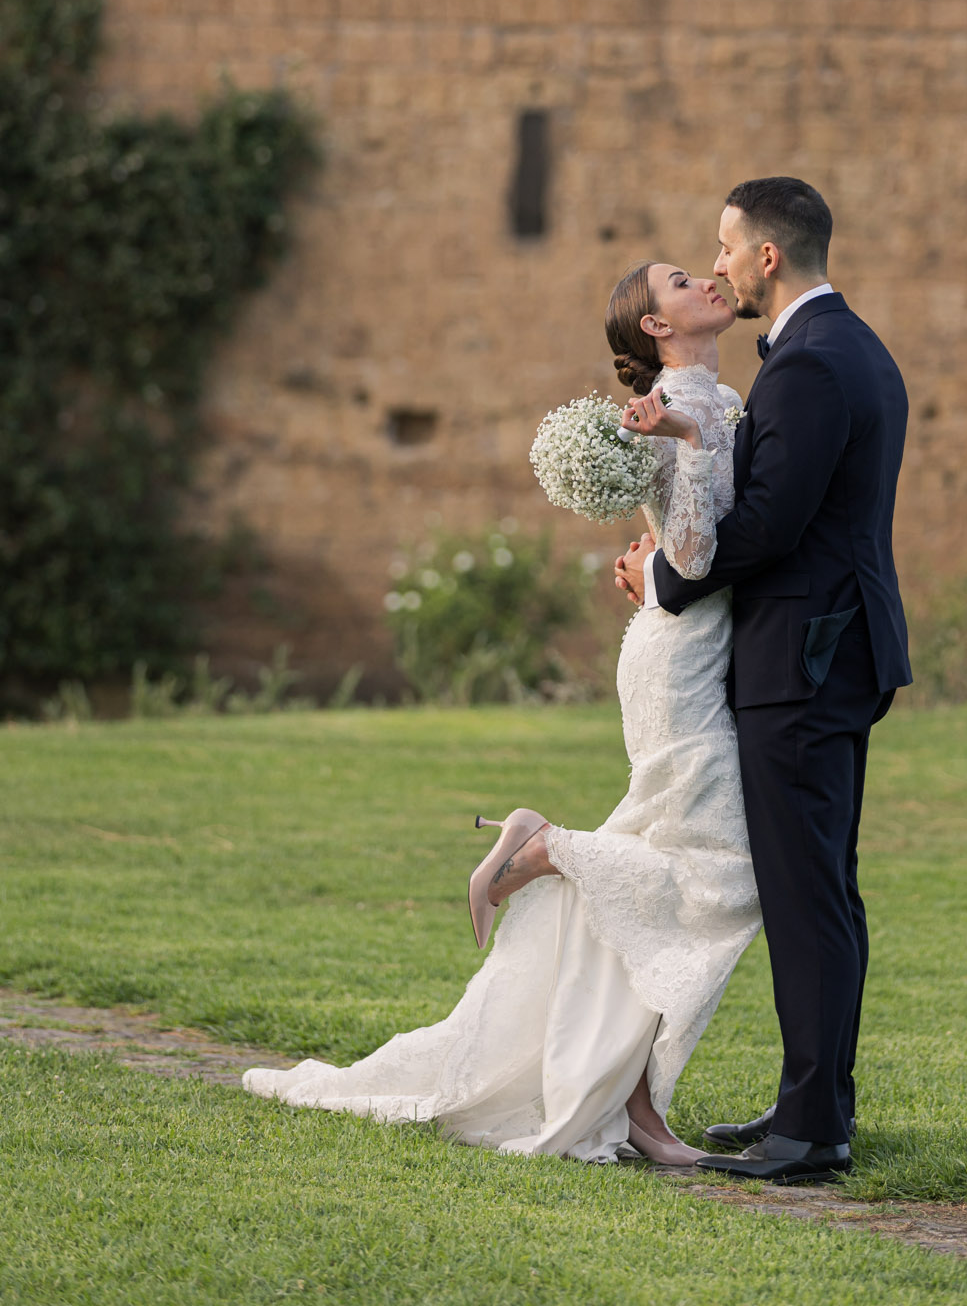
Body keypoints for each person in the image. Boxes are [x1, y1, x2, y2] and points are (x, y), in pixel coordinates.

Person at [243, 261, 760, 1168]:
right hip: (678, 653)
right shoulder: (671, 410)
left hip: (692, 643)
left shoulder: (716, 394)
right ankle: (550, 851)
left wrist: (698, 449)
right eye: (683, 280)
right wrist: (687, 444)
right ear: (655, 326)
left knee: (683, 863)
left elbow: (702, 540)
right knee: (721, 875)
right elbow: (689, 548)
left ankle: (635, 1100)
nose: (708, 278)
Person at [617, 176, 911, 1185]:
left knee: (806, 893)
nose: (719, 263)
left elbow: (770, 528)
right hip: (832, 648)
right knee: (822, 886)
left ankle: (812, 1131)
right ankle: (811, 1101)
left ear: (766, 257)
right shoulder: (851, 347)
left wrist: (659, 572)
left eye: (726, 247)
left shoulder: (809, 366)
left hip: (806, 657)